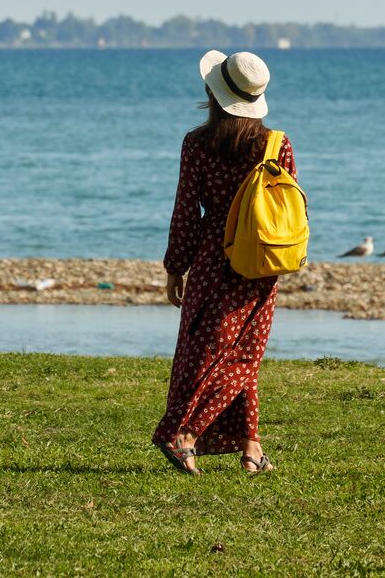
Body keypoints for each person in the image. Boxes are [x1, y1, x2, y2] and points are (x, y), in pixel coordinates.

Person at [153, 50, 295, 475]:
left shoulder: (195, 144)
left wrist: (175, 267)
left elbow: (186, 211)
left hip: (214, 257)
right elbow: (286, 207)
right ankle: (209, 439)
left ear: (213, 94)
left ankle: (226, 441)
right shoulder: (276, 144)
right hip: (260, 257)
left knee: (207, 352)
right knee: (244, 354)